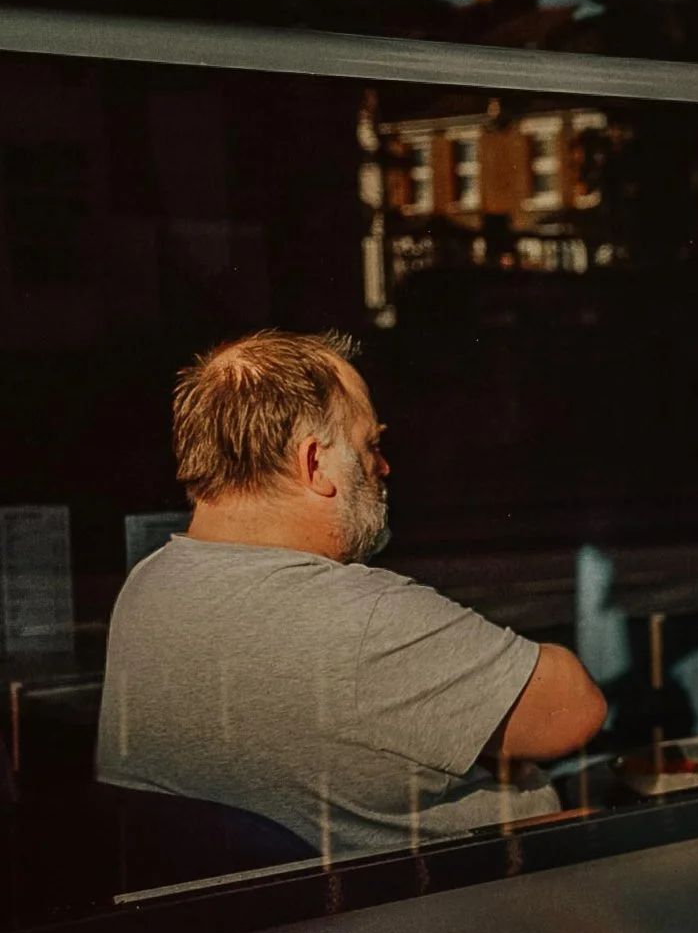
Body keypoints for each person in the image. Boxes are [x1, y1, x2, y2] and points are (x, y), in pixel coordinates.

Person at [97, 329, 608, 857]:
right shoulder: (362, 617)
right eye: (371, 445)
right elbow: (573, 710)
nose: (384, 468)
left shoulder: (150, 585)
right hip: (474, 908)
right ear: (314, 463)